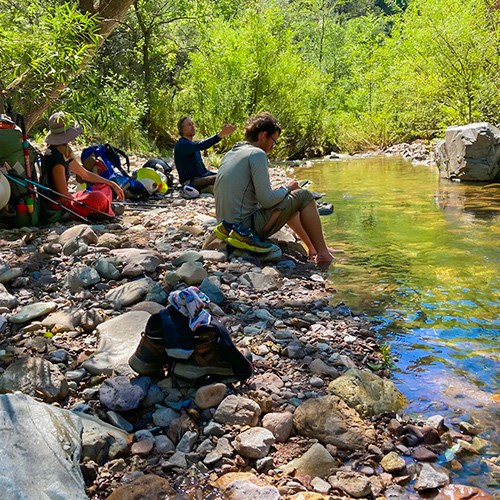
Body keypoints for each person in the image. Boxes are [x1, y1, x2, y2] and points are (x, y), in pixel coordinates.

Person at [214, 112, 333, 264]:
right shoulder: (257, 154)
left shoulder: (232, 153)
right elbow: (267, 201)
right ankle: (323, 254)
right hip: (243, 230)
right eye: (274, 142)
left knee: (286, 198)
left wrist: (283, 191)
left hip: (225, 226)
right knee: (304, 196)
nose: (272, 148)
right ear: (264, 135)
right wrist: (288, 188)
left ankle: (313, 247)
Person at [41, 111, 124, 220]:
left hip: (66, 198)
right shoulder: (55, 158)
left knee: (104, 187)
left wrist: (112, 183)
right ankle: (105, 208)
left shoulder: (63, 151)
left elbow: (85, 174)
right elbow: (63, 195)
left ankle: (104, 207)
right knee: (98, 197)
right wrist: (82, 200)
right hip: (58, 204)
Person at [174, 116, 236, 192]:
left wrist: (220, 173)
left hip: (201, 178)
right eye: (189, 124)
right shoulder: (182, 144)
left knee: (226, 174)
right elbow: (202, 145)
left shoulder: (193, 146)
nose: (193, 126)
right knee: (223, 178)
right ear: (182, 129)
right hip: (190, 183)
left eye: (193, 124)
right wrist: (220, 135)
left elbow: (204, 171)